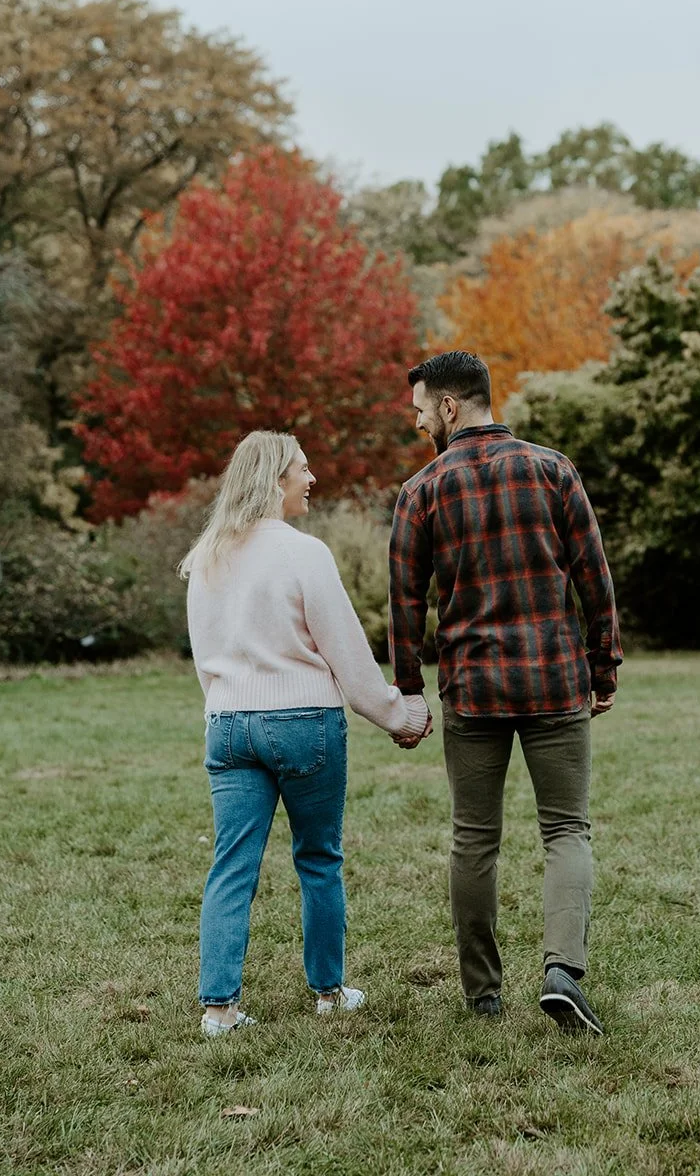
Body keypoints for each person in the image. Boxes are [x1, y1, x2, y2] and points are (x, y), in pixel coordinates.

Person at [388, 351, 621, 1034]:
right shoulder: (553, 470)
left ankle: (482, 995)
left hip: (472, 686)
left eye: (422, 410)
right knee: (566, 830)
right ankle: (561, 973)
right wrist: (600, 669)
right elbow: (594, 579)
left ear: (450, 407)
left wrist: (409, 690)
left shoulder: (421, 490)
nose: (419, 422)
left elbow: (405, 606)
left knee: (473, 840)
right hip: (553, 677)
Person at [181, 430, 431, 1037]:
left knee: (231, 866)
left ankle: (219, 1009)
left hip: (228, 726)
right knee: (319, 859)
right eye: (302, 467)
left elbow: (204, 656)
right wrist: (401, 716)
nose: (312, 476)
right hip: (303, 725)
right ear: (274, 480)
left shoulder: (206, 557)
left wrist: (228, 709)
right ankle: (328, 991)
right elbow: (347, 656)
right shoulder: (304, 554)